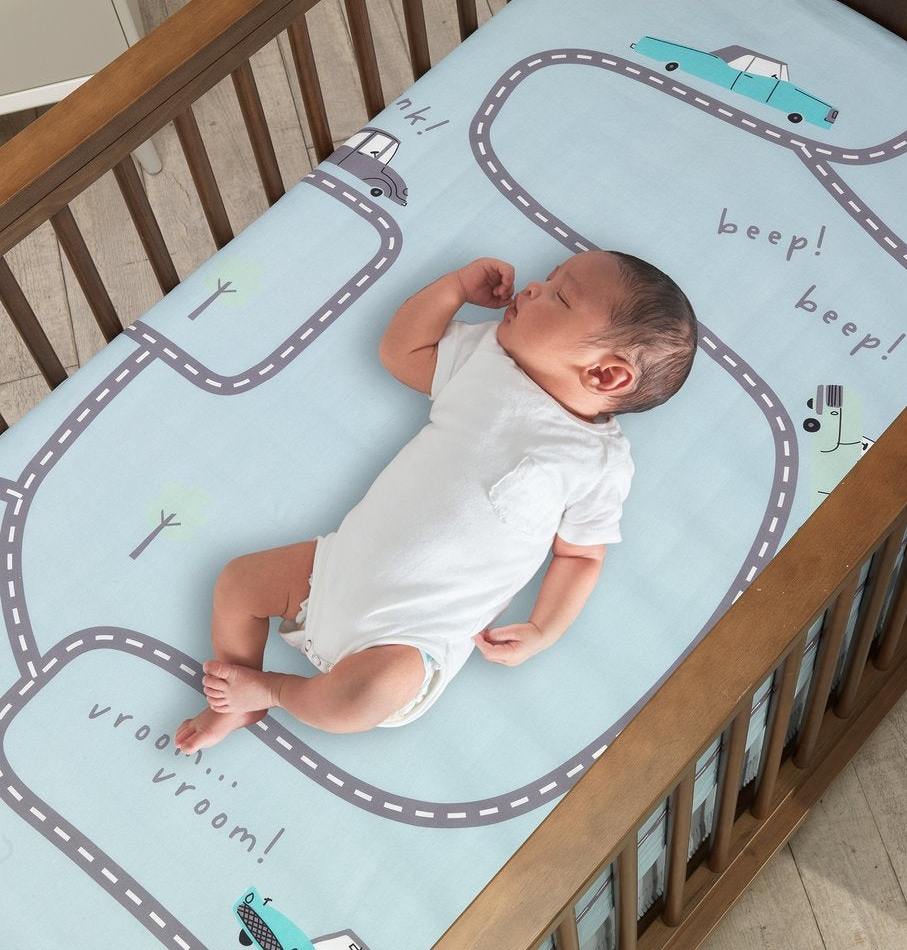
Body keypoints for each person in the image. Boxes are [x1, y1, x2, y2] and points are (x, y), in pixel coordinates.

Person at [174, 250, 696, 753]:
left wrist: (543, 629)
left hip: (410, 639)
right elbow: (401, 352)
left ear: (606, 374)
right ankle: (235, 695)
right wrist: (454, 288)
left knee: (359, 701)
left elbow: (580, 556)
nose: (535, 286)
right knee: (239, 582)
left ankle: (271, 691)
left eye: (561, 296)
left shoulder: (597, 462)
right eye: (550, 275)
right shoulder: (487, 357)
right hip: (333, 571)